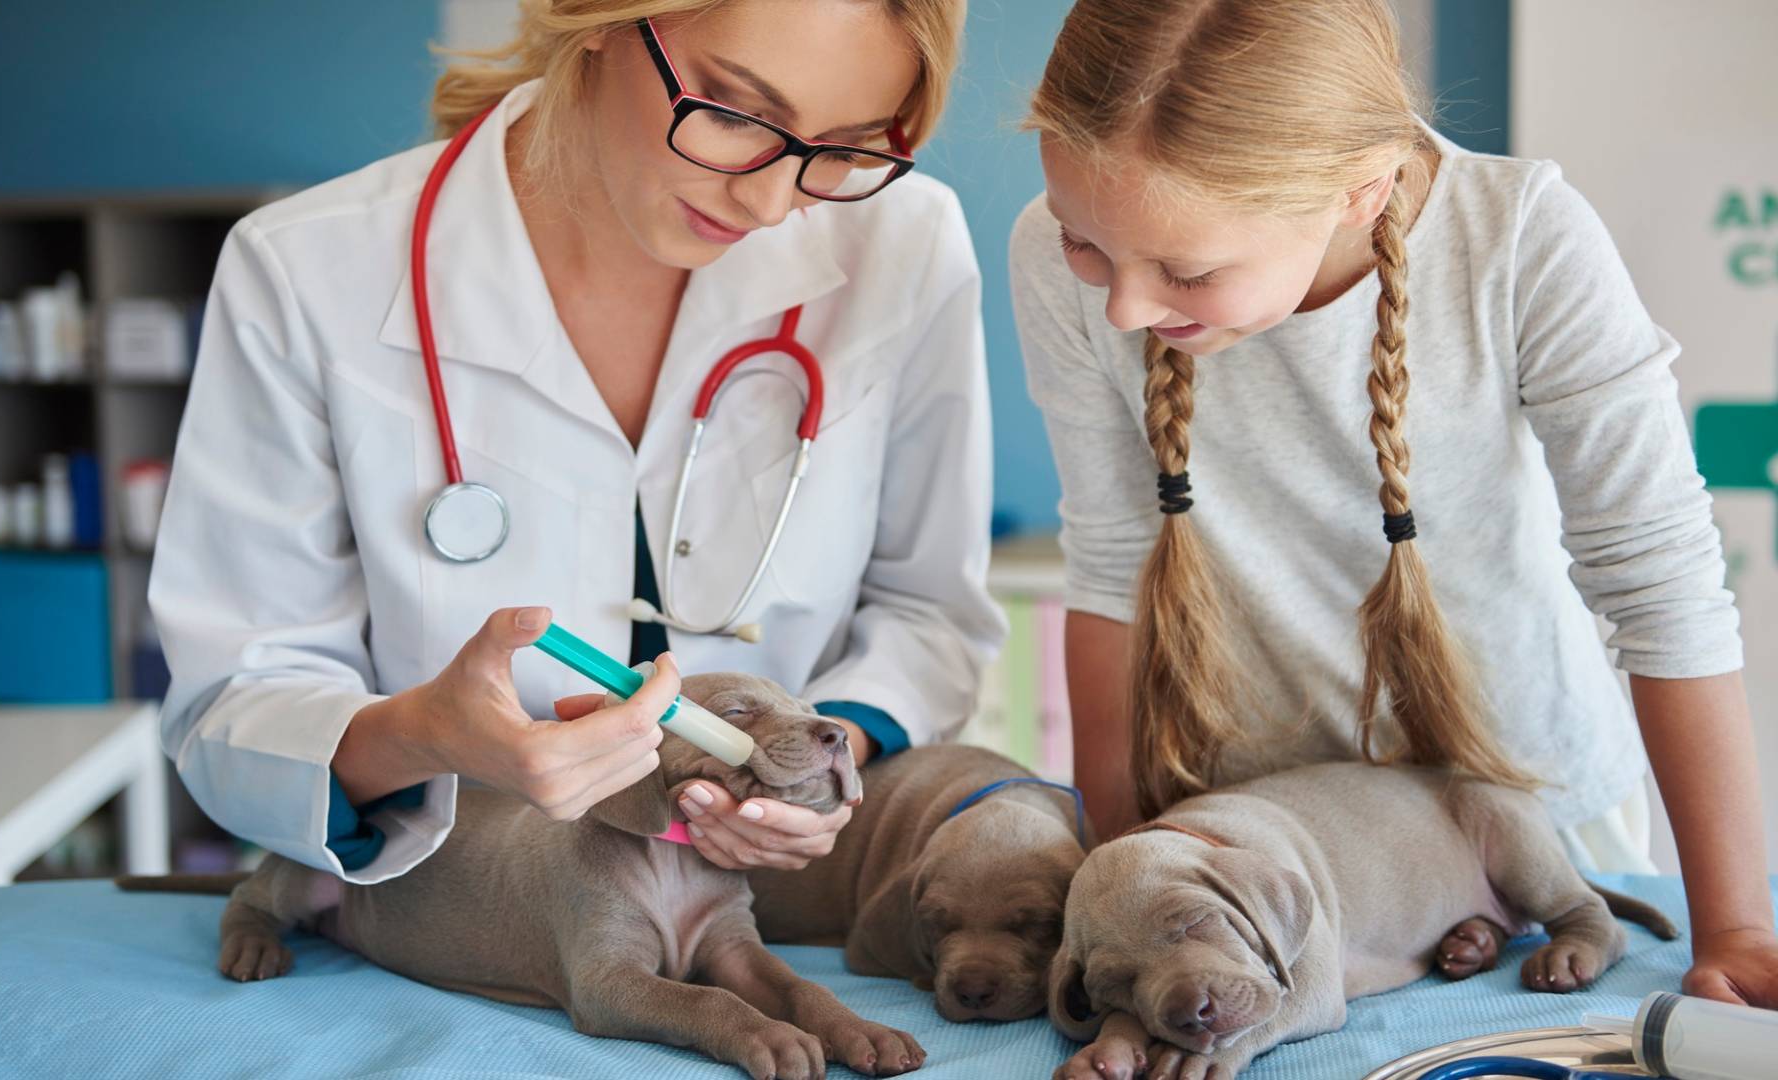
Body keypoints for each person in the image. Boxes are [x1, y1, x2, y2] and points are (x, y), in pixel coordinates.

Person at [1011, 0, 1773, 1005]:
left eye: (1188, 271)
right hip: (1269, 853)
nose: (1123, 308)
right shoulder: (1059, 254)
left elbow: (1661, 581)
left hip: (1536, 834)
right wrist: (1119, 866)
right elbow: (1113, 565)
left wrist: (1735, 925)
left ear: (1360, 194)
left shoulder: (1520, 238)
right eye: (1085, 245)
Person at [151, 0, 1003, 886]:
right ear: (591, 17)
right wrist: (421, 735)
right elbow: (233, 707)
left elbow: (929, 614)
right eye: (732, 112)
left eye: (841, 146)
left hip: (776, 909)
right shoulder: (305, 269)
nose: (769, 198)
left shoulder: (901, 242)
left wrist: (811, 762)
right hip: (462, 908)